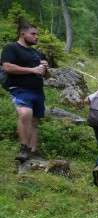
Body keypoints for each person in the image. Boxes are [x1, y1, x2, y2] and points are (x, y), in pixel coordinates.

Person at [1, 21, 49, 162]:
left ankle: (32, 151)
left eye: (37, 34)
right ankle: (23, 149)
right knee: (25, 114)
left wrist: (46, 68)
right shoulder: (11, 48)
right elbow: (7, 67)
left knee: (34, 121)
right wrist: (32, 70)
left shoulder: (36, 53)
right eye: (33, 34)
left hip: (38, 90)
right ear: (22, 34)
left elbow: (46, 75)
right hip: (19, 89)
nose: (37, 37)